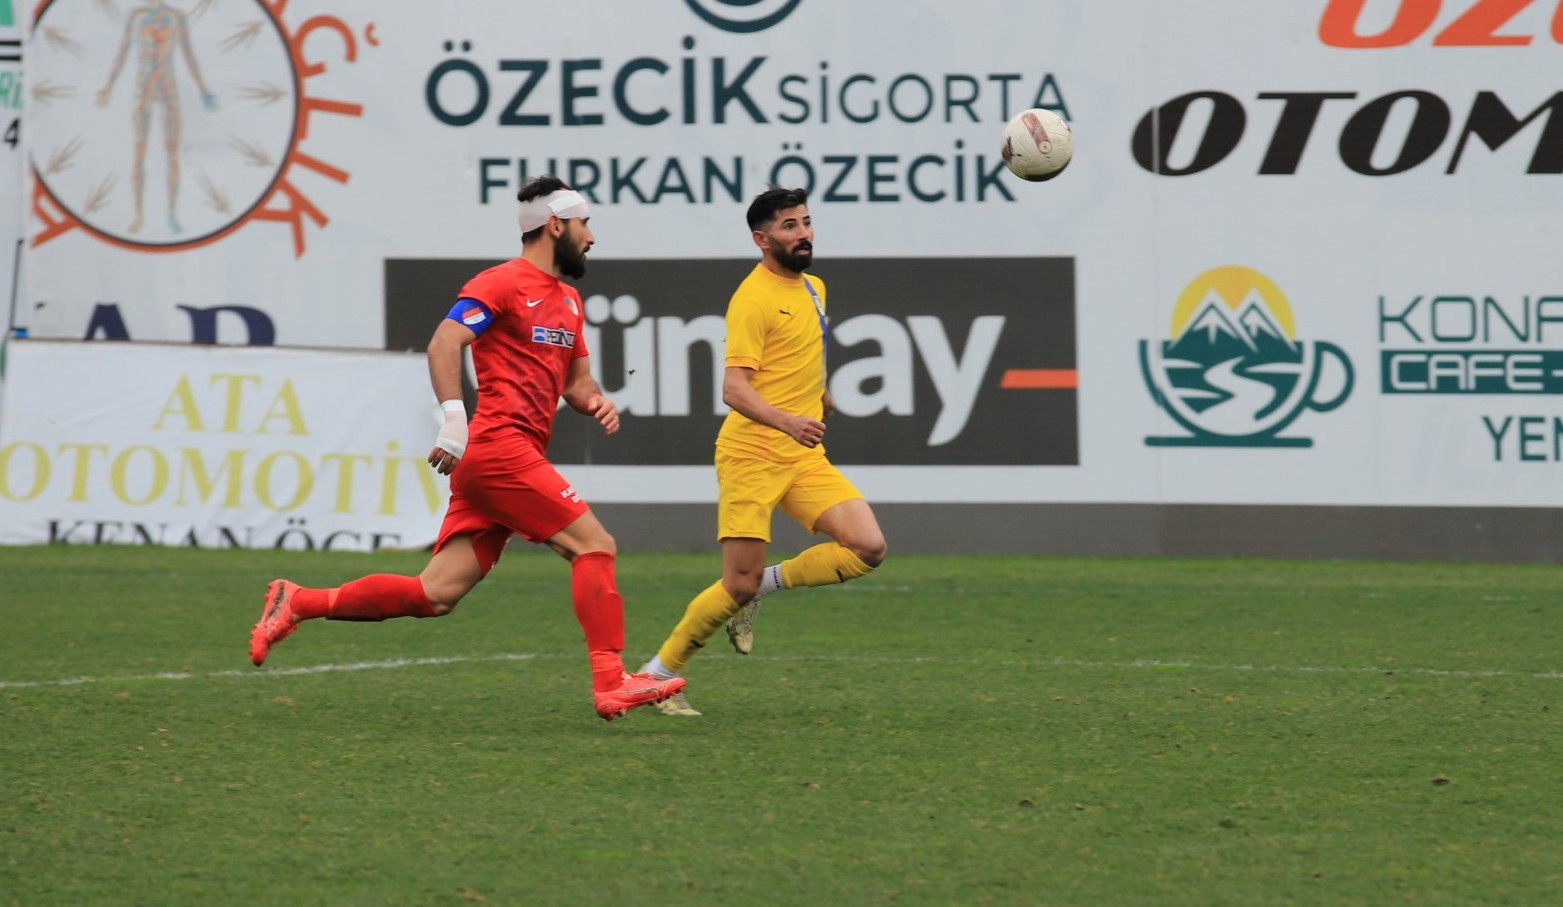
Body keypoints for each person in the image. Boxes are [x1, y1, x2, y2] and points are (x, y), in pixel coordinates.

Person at [249, 175, 685, 721]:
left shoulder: (570, 302)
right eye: (585, 224)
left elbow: (577, 383)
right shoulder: (500, 283)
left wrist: (596, 401)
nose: (592, 237)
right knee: (594, 546)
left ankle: (299, 602)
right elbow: (444, 341)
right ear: (556, 226)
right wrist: (454, 420)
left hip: (502, 458)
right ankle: (611, 682)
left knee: (434, 594)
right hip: (499, 449)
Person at [638, 186, 888, 716]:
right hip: (752, 453)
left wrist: (819, 396)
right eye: (789, 227)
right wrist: (788, 420)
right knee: (736, 581)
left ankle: (764, 589)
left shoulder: (815, 286)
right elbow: (734, 388)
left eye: (806, 222)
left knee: (868, 547)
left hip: (800, 455)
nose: (803, 234)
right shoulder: (751, 299)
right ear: (762, 238)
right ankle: (654, 676)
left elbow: (798, 354)